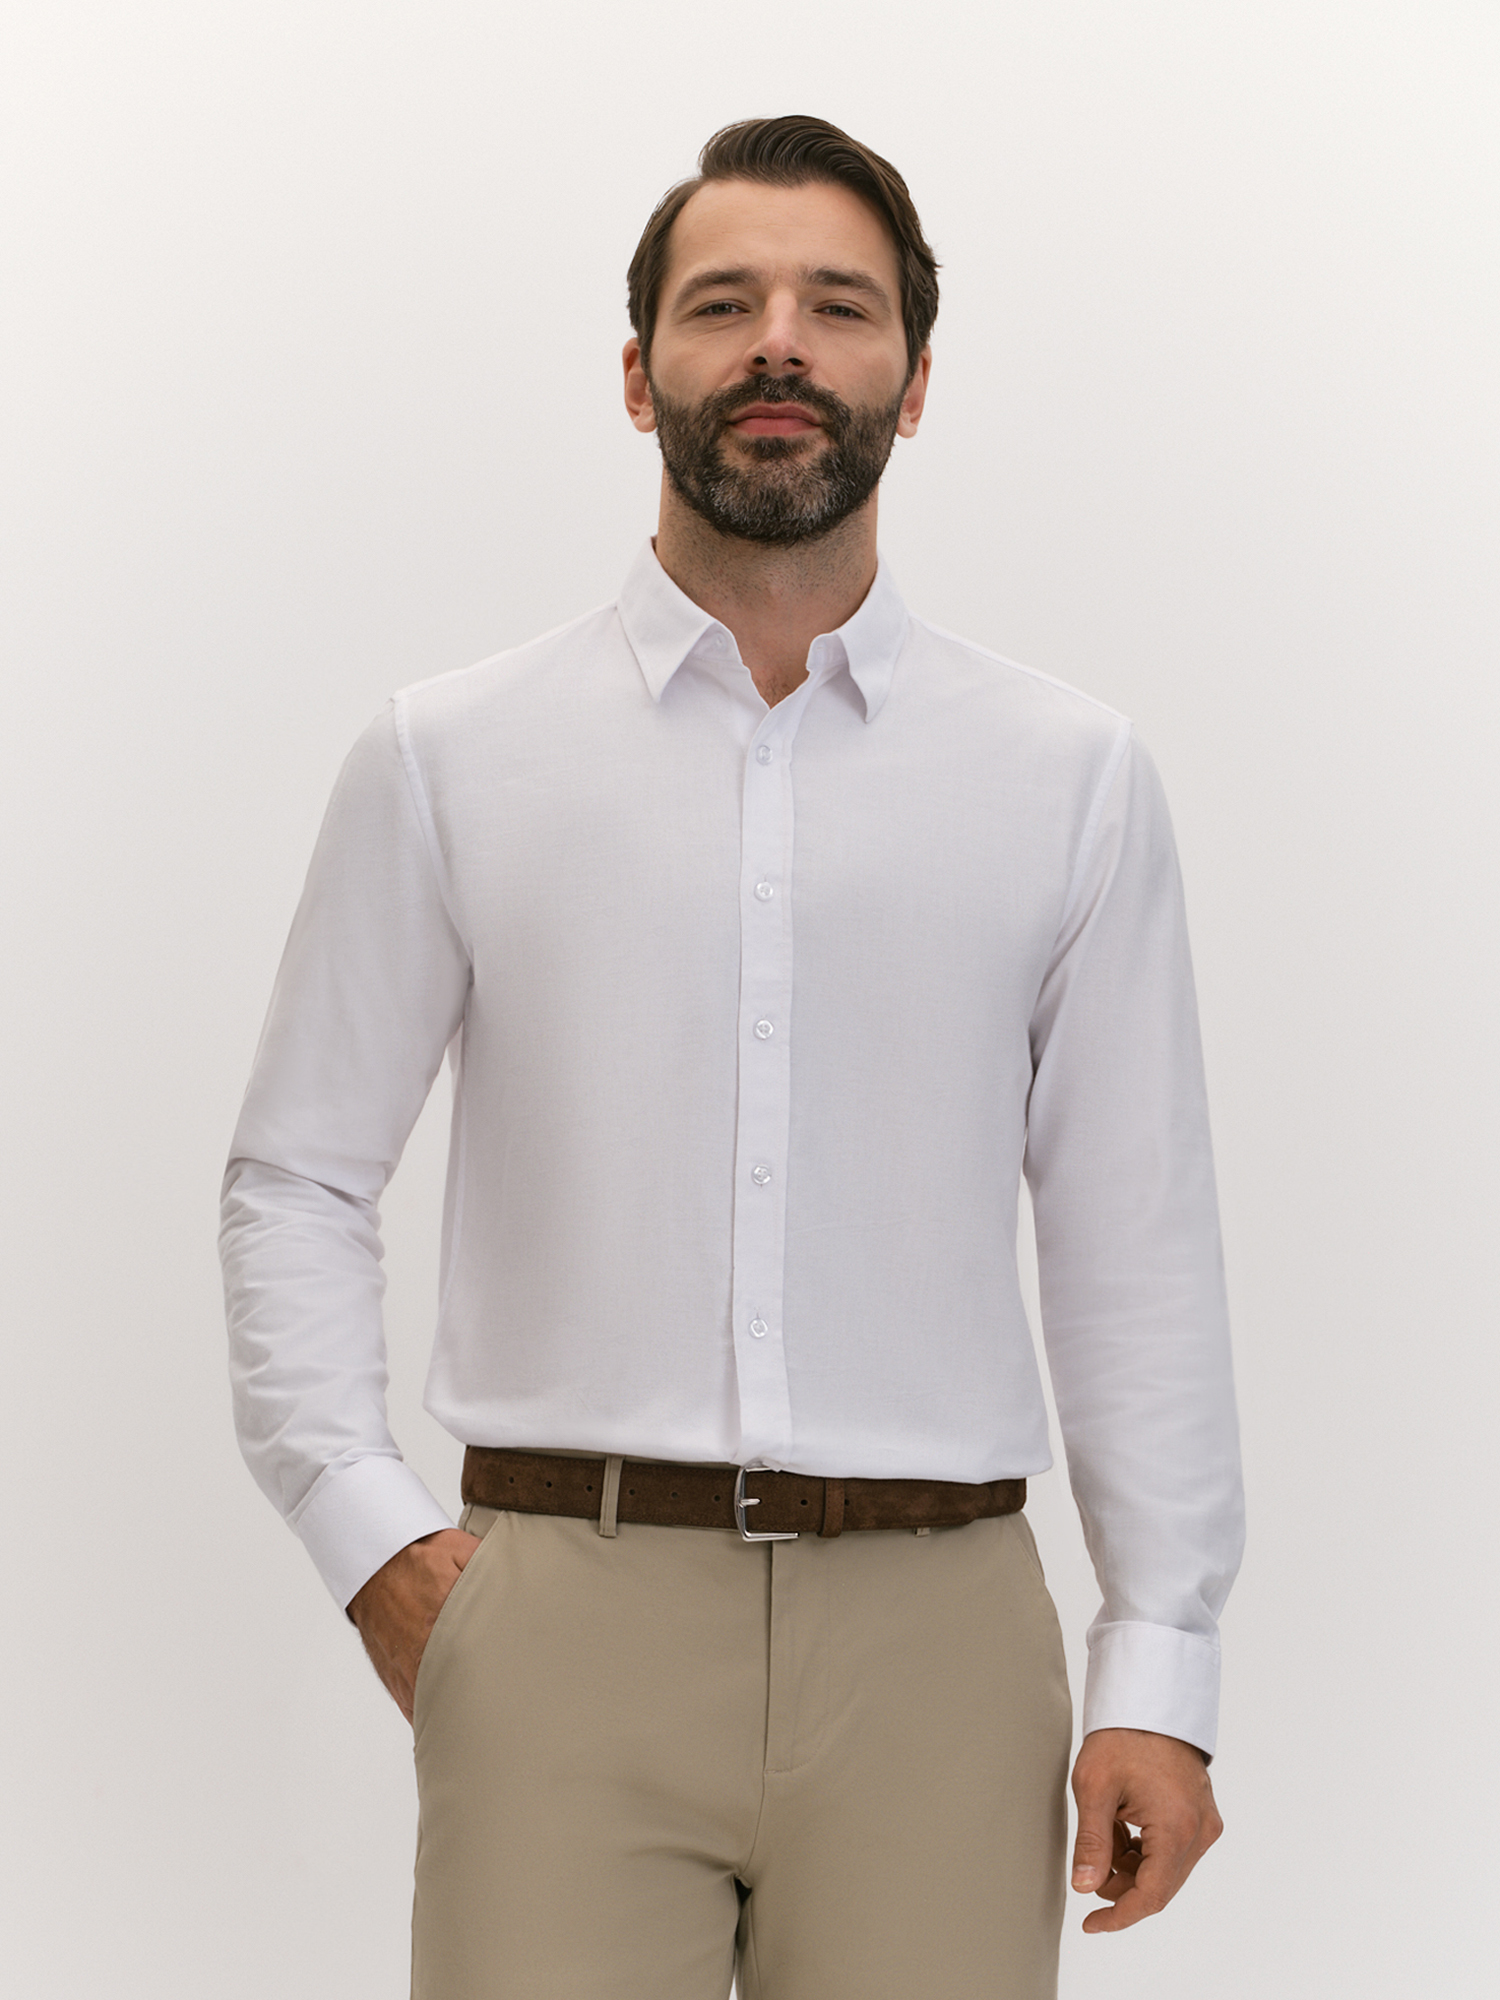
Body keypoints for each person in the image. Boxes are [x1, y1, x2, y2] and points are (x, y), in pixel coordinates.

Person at [220, 114, 1243, 2000]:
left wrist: (1160, 1663)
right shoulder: (451, 754)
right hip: (560, 1613)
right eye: (723, 304)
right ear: (640, 375)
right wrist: (374, 1541)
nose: (781, 342)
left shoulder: (1068, 778)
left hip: (943, 1640)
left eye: (839, 306)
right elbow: (298, 1174)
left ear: (912, 384)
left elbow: (1138, 1238)